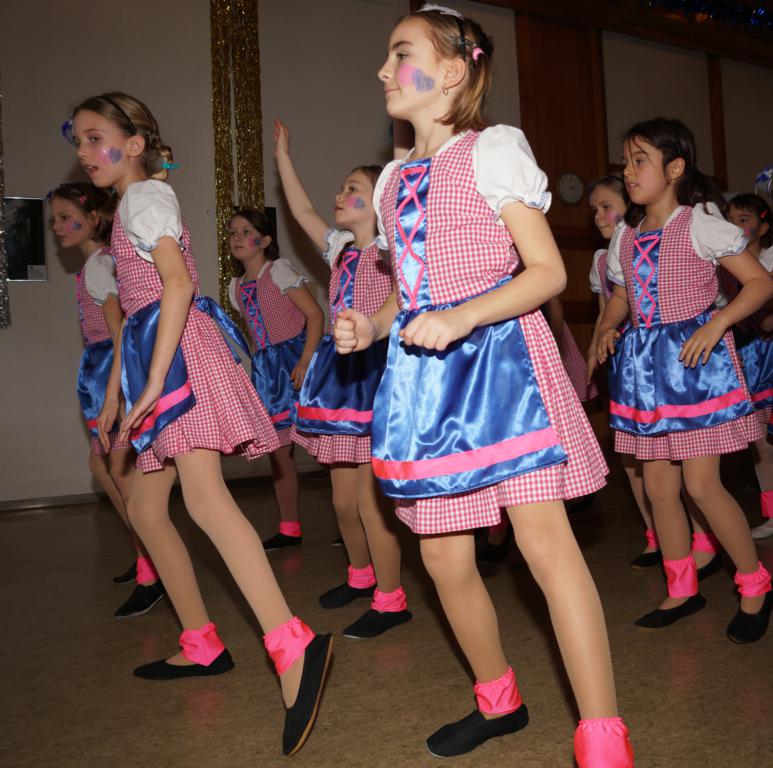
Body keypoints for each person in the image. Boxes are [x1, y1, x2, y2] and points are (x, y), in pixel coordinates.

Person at [334, 7, 633, 764]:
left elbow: (547, 272)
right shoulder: (393, 180)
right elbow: (406, 291)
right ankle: (498, 699)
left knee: (544, 545)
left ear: (452, 70)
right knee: (442, 559)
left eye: (400, 53)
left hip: (501, 367)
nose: (382, 70)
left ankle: (602, 737)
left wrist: (463, 316)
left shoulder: (492, 150)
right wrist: (371, 325)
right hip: (424, 385)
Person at [70, 92, 331, 755]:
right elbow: (134, 312)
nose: (84, 150)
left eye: (96, 137)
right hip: (156, 357)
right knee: (146, 508)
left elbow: (177, 286)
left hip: (178, 357)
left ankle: (292, 643)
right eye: (79, 140)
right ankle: (200, 643)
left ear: (134, 144)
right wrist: (118, 390)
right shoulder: (132, 205)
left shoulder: (143, 197)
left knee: (207, 502)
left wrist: (155, 380)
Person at [596, 117, 773, 643]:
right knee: (658, 487)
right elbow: (623, 295)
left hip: (694, 370)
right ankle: (682, 587)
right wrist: (606, 326)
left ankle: (755, 582)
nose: (629, 172)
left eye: (640, 161)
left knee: (701, 485)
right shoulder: (627, 235)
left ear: (674, 169)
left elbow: (759, 283)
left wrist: (717, 323)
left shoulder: (699, 224)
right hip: (646, 373)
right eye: (626, 162)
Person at [274, 119, 411, 639]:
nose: (339, 194)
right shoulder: (340, 250)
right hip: (338, 376)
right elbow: (303, 211)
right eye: (341, 187)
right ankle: (361, 576)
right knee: (341, 501)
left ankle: (391, 599)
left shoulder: (392, 251)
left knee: (372, 504)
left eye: (352, 188)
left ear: (378, 203)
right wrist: (283, 158)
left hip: (374, 374)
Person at [50, 181, 165, 618]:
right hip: (99, 369)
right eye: (55, 220)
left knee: (118, 470)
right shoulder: (92, 267)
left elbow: (120, 334)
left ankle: (152, 569)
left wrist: (113, 392)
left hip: (109, 371)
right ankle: (144, 555)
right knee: (103, 466)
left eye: (66, 218)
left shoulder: (101, 265)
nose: (58, 227)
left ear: (93, 218)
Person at [227, 208, 324, 550]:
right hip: (269, 374)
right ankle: (289, 527)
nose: (237, 238)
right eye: (233, 232)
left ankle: (351, 516)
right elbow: (255, 337)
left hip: (296, 361)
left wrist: (306, 360)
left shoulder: (278, 271)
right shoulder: (236, 287)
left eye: (246, 231)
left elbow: (314, 315)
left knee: (325, 446)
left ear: (265, 240)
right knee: (279, 454)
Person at [726, 193, 773, 540]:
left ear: (763, 226)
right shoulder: (726, 266)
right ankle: (771, 513)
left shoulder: (769, 261)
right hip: (748, 359)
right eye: (730, 221)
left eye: (743, 220)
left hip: (768, 356)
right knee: (759, 443)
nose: (735, 227)